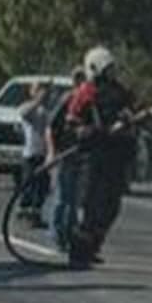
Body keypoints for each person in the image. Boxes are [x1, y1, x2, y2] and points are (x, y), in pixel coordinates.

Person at [65, 46, 140, 270]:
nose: (112, 73)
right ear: (96, 69)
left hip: (117, 158)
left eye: (113, 69)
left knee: (111, 207)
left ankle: (93, 246)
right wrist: (89, 132)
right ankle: (79, 252)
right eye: (108, 69)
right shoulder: (86, 93)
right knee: (89, 205)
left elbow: (134, 112)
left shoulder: (121, 92)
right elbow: (72, 123)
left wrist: (131, 119)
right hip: (94, 159)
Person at [47, 66, 85, 253]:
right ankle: (57, 234)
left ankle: (70, 236)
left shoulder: (87, 103)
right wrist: (53, 153)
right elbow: (51, 127)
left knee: (74, 199)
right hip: (64, 153)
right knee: (63, 196)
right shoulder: (68, 100)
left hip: (79, 155)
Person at [17, 82, 51, 229]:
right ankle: (24, 212)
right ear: (32, 92)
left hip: (43, 153)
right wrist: (37, 101)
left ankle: (36, 214)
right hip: (30, 153)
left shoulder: (46, 111)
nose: (42, 92)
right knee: (29, 184)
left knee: (42, 186)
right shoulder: (28, 108)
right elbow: (23, 113)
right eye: (38, 89)